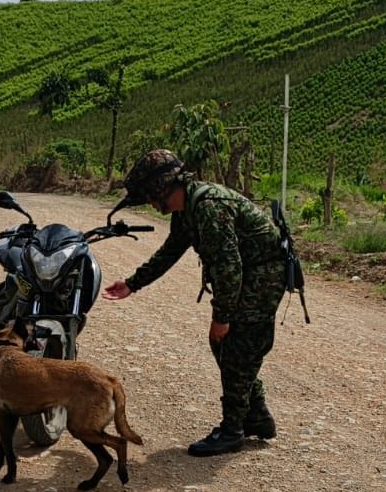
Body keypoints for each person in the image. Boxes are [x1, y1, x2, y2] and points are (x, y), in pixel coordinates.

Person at [102, 149, 286, 456]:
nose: (149, 202)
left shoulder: (208, 208)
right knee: (225, 345)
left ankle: (232, 431)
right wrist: (133, 283)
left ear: (160, 189)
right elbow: (170, 251)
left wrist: (222, 316)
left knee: (237, 347)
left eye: (148, 196)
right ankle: (257, 416)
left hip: (262, 277)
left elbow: (229, 266)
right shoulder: (187, 208)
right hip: (250, 276)